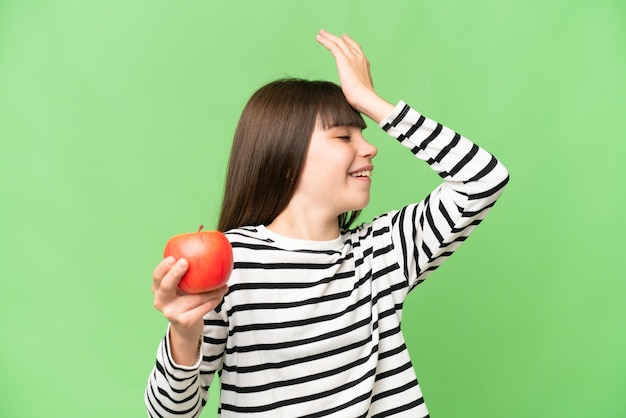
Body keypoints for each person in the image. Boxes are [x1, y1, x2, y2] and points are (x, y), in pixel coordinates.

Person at [145, 30, 509, 417]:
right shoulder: (231, 264)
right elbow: (169, 415)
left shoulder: (383, 253)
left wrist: (370, 101)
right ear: (285, 160)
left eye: (362, 133)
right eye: (342, 136)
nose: (369, 148)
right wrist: (183, 335)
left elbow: (484, 179)